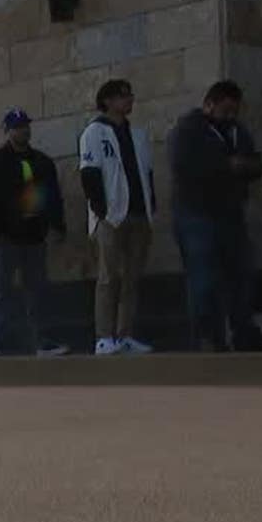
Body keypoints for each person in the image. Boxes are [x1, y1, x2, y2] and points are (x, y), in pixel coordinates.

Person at [166, 81, 262, 353]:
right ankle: (208, 336)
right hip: (195, 213)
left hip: (230, 213)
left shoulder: (237, 131)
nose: (230, 116)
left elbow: (255, 164)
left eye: (235, 111)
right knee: (203, 277)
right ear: (209, 105)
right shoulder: (188, 130)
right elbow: (185, 166)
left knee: (241, 274)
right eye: (225, 110)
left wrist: (237, 165)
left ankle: (244, 332)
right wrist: (229, 165)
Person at [80, 79, 158, 356]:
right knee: (108, 277)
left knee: (132, 278)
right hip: (112, 215)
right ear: (108, 101)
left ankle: (125, 334)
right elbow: (89, 173)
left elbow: (146, 172)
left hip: (139, 213)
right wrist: (103, 211)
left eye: (130, 95)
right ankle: (104, 336)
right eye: (123, 96)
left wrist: (152, 207)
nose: (130, 101)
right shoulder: (94, 132)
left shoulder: (137, 134)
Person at [0, 108, 69, 357]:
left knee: (37, 289)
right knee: (0, 289)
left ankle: (41, 340)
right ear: (8, 131)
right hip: (7, 236)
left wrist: (57, 225)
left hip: (34, 234)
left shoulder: (41, 161)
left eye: (25, 126)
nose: (23, 130)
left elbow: (53, 196)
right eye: (18, 127)